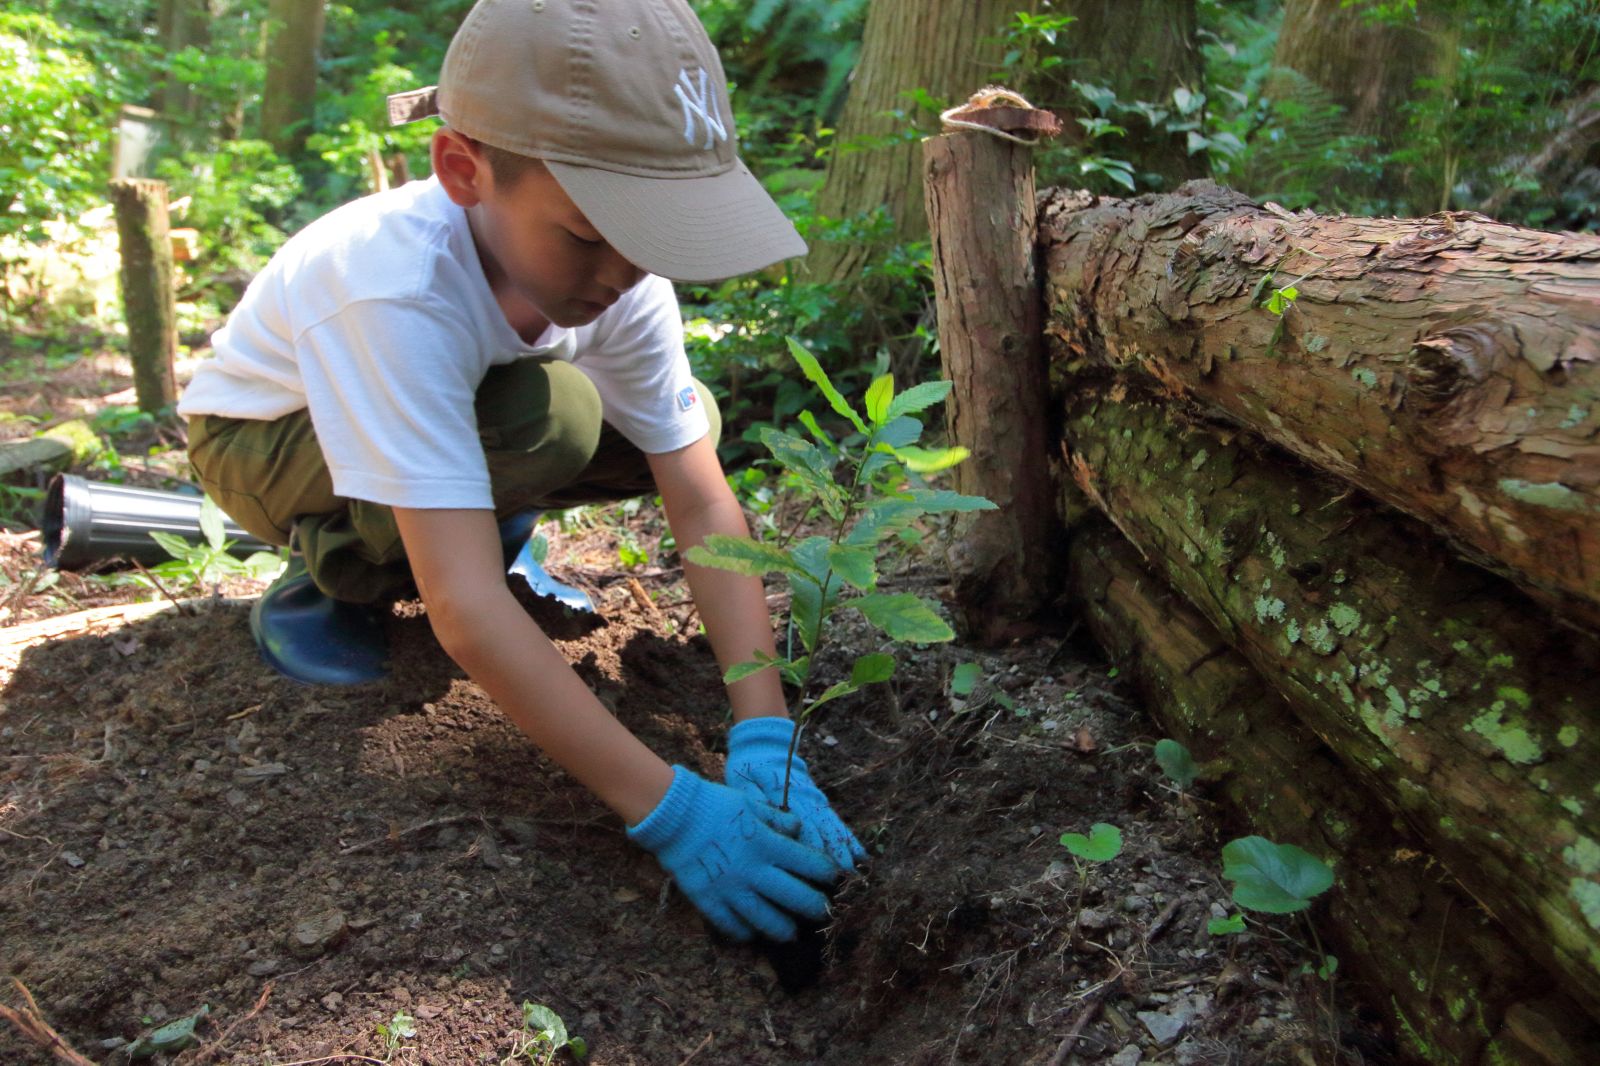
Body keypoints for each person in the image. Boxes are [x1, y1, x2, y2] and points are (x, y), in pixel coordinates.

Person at [176, 0, 864, 944]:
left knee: (677, 418)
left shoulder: (616, 273)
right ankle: (336, 573)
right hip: (261, 444)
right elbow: (462, 610)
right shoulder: (395, 286)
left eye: (651, 237)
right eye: (588, 234)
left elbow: (700, 495)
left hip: (450, 409)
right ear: (464, 169)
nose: (624, 271)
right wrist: (668, 808)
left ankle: (471, 519)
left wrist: (762, 728)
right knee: (545, 419)